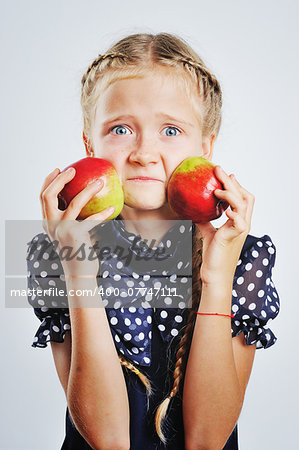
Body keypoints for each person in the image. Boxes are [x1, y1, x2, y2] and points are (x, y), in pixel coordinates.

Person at [26, 32, 280, 450]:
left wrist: (217, 277)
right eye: (121, 129)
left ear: (205, 146)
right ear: (90, 144)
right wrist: (78, 271)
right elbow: (107, 440)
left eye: (171, 130)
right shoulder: (57, 255)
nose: (144, 152)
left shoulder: (243, 256)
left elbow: (207, 441)